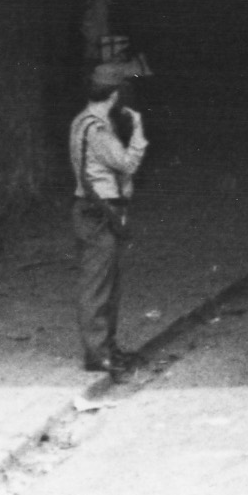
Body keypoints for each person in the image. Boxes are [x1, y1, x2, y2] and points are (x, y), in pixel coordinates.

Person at [70, 67, 147, 376]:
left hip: (93, 208)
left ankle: (105, 348)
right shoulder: (98, 130)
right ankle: (98, 353)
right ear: (114, 95)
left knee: (105, 282)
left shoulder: (81, 121)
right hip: (99, 210)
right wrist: (139, 129)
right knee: (99, 284)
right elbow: (127, 161)